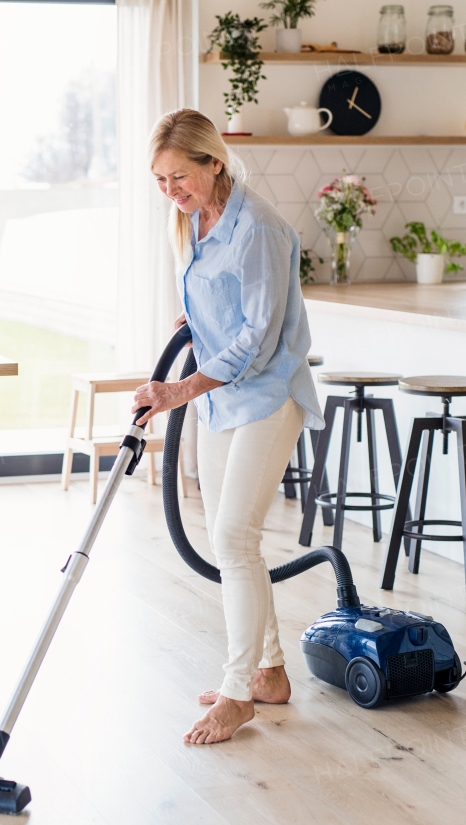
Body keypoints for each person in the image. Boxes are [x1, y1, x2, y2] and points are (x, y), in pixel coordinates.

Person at [131, 109, 324, 745]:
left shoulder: (260, 229)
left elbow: (259, 339)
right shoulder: (187, 220)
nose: (170, 190)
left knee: (235, 536)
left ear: (215, 161)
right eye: (160, 180)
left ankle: (238, 694)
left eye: (179, 176)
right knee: (227, 541)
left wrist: (179, 389)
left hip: (268, 393)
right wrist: (191, 329)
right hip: (219, 397)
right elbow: (215, 306)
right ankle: (268, 674)